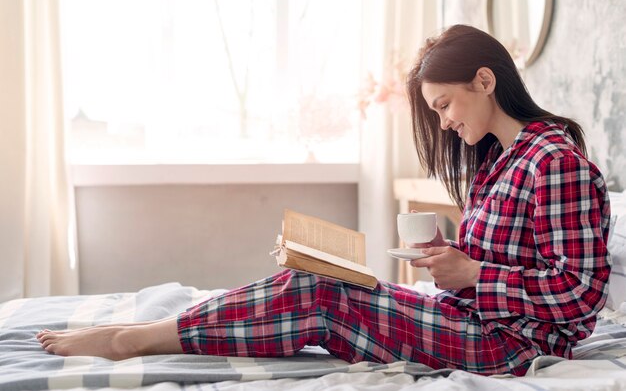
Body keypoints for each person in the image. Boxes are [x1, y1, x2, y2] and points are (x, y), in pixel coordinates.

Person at [36, 24, 611, 376]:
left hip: (505, 347)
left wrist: (474, 274)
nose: (444, 123)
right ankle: (164, 330)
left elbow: (583, 297)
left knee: (320, 294)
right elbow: (506, 264)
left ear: (484, 82)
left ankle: (134, 339)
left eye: (443, 106)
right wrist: (448, 260)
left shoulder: (554, 163)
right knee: (326, 281)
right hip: (470, 319)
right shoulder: (502, 160)